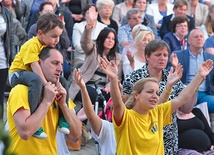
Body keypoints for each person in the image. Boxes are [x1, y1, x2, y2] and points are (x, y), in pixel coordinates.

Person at [100, 55, 213, 155]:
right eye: (150, 92)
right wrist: (114, 79)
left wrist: (199, 76)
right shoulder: (126, 117)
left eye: (157, 93)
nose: (155, 96)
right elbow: (117, 103)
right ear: (136, 95)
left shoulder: (157, 112)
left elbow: (181, 98)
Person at [73, 59, 184, 155]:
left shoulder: (143, 118)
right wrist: (83, 89)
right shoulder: (109, 127)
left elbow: (159, 104)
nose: (116, 105)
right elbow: (92, 116)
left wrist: (169, 86)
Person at [122, 39, 198, 155]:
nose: (162, 58)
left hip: (167, 136)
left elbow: (186, 109)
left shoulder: (173, 78)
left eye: (165, 55)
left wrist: (195, 86)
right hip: (141, 135)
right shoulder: (133, 78)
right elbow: (126, 108)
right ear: (147, 57)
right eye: (158, 55)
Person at [7, 47, 82, 155]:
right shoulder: (20, 90)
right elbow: (25, 132)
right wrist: (46, 102)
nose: (60, 69)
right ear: (39, 63)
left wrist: (63, 105)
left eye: (61, 64)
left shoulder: (60, 93)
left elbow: (76, 135)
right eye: (55, 63)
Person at [8, 13, 70, 139]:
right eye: (53, 36)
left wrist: (55, 82)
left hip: (29, 74)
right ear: (40, 33)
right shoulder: (33, 44)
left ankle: (63, 119)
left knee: (63, 81)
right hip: (17, 73)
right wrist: (47, 85)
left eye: (58, 36)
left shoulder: (46, 46)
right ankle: (34, 121)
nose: (57, 40)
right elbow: (35, 66)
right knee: (37, 81)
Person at [69, 6, 122, 106]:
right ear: (102, 38)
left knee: (111, 97)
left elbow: (117, 77)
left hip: (103, 88)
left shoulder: (118, 58)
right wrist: (89, 26)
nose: (110, 40)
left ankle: (102, 121)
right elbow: (85, 42)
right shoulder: (93, 49)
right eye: (107, 38)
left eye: (113, 39)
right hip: (86, 84)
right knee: (92, 96)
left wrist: (109, 85)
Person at [173, 28, 214, 113]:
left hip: (205, 93)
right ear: (189, 41)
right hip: (186, 91)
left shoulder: (211, 57)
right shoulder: (178, 55)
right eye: (196, 37)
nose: (199, 38)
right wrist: (174, 66)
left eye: (201, 36)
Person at [28, 1, 71, 80]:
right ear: (40, 13)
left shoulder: (58, 27)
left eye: (51, 11)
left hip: (58, 58)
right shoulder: (34, 28)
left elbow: (66, 44)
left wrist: (62, 28)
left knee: (66, 72)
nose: (49, 14)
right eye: (47, 11)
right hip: (40, 59)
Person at [0, 0, 15, 120]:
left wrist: (12, 59)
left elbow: (10, 38)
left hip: (2, 59)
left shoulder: (7, 13)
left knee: (0, 97)